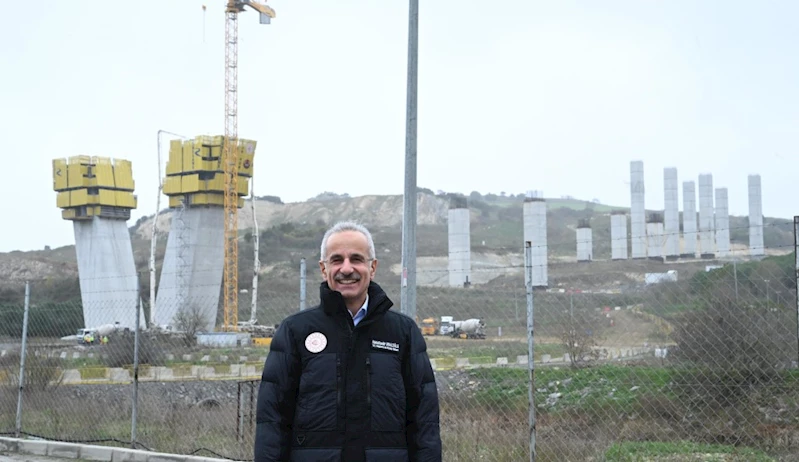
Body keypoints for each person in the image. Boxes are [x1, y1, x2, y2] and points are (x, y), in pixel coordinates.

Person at [254, 221, 442, 462]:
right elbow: (272, 421)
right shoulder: (294, 331)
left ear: (372, 267)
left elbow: (424, 422)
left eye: (356, 259)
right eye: (336, 260)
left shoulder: (403, 333)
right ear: (323, 269)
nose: (346, 268)